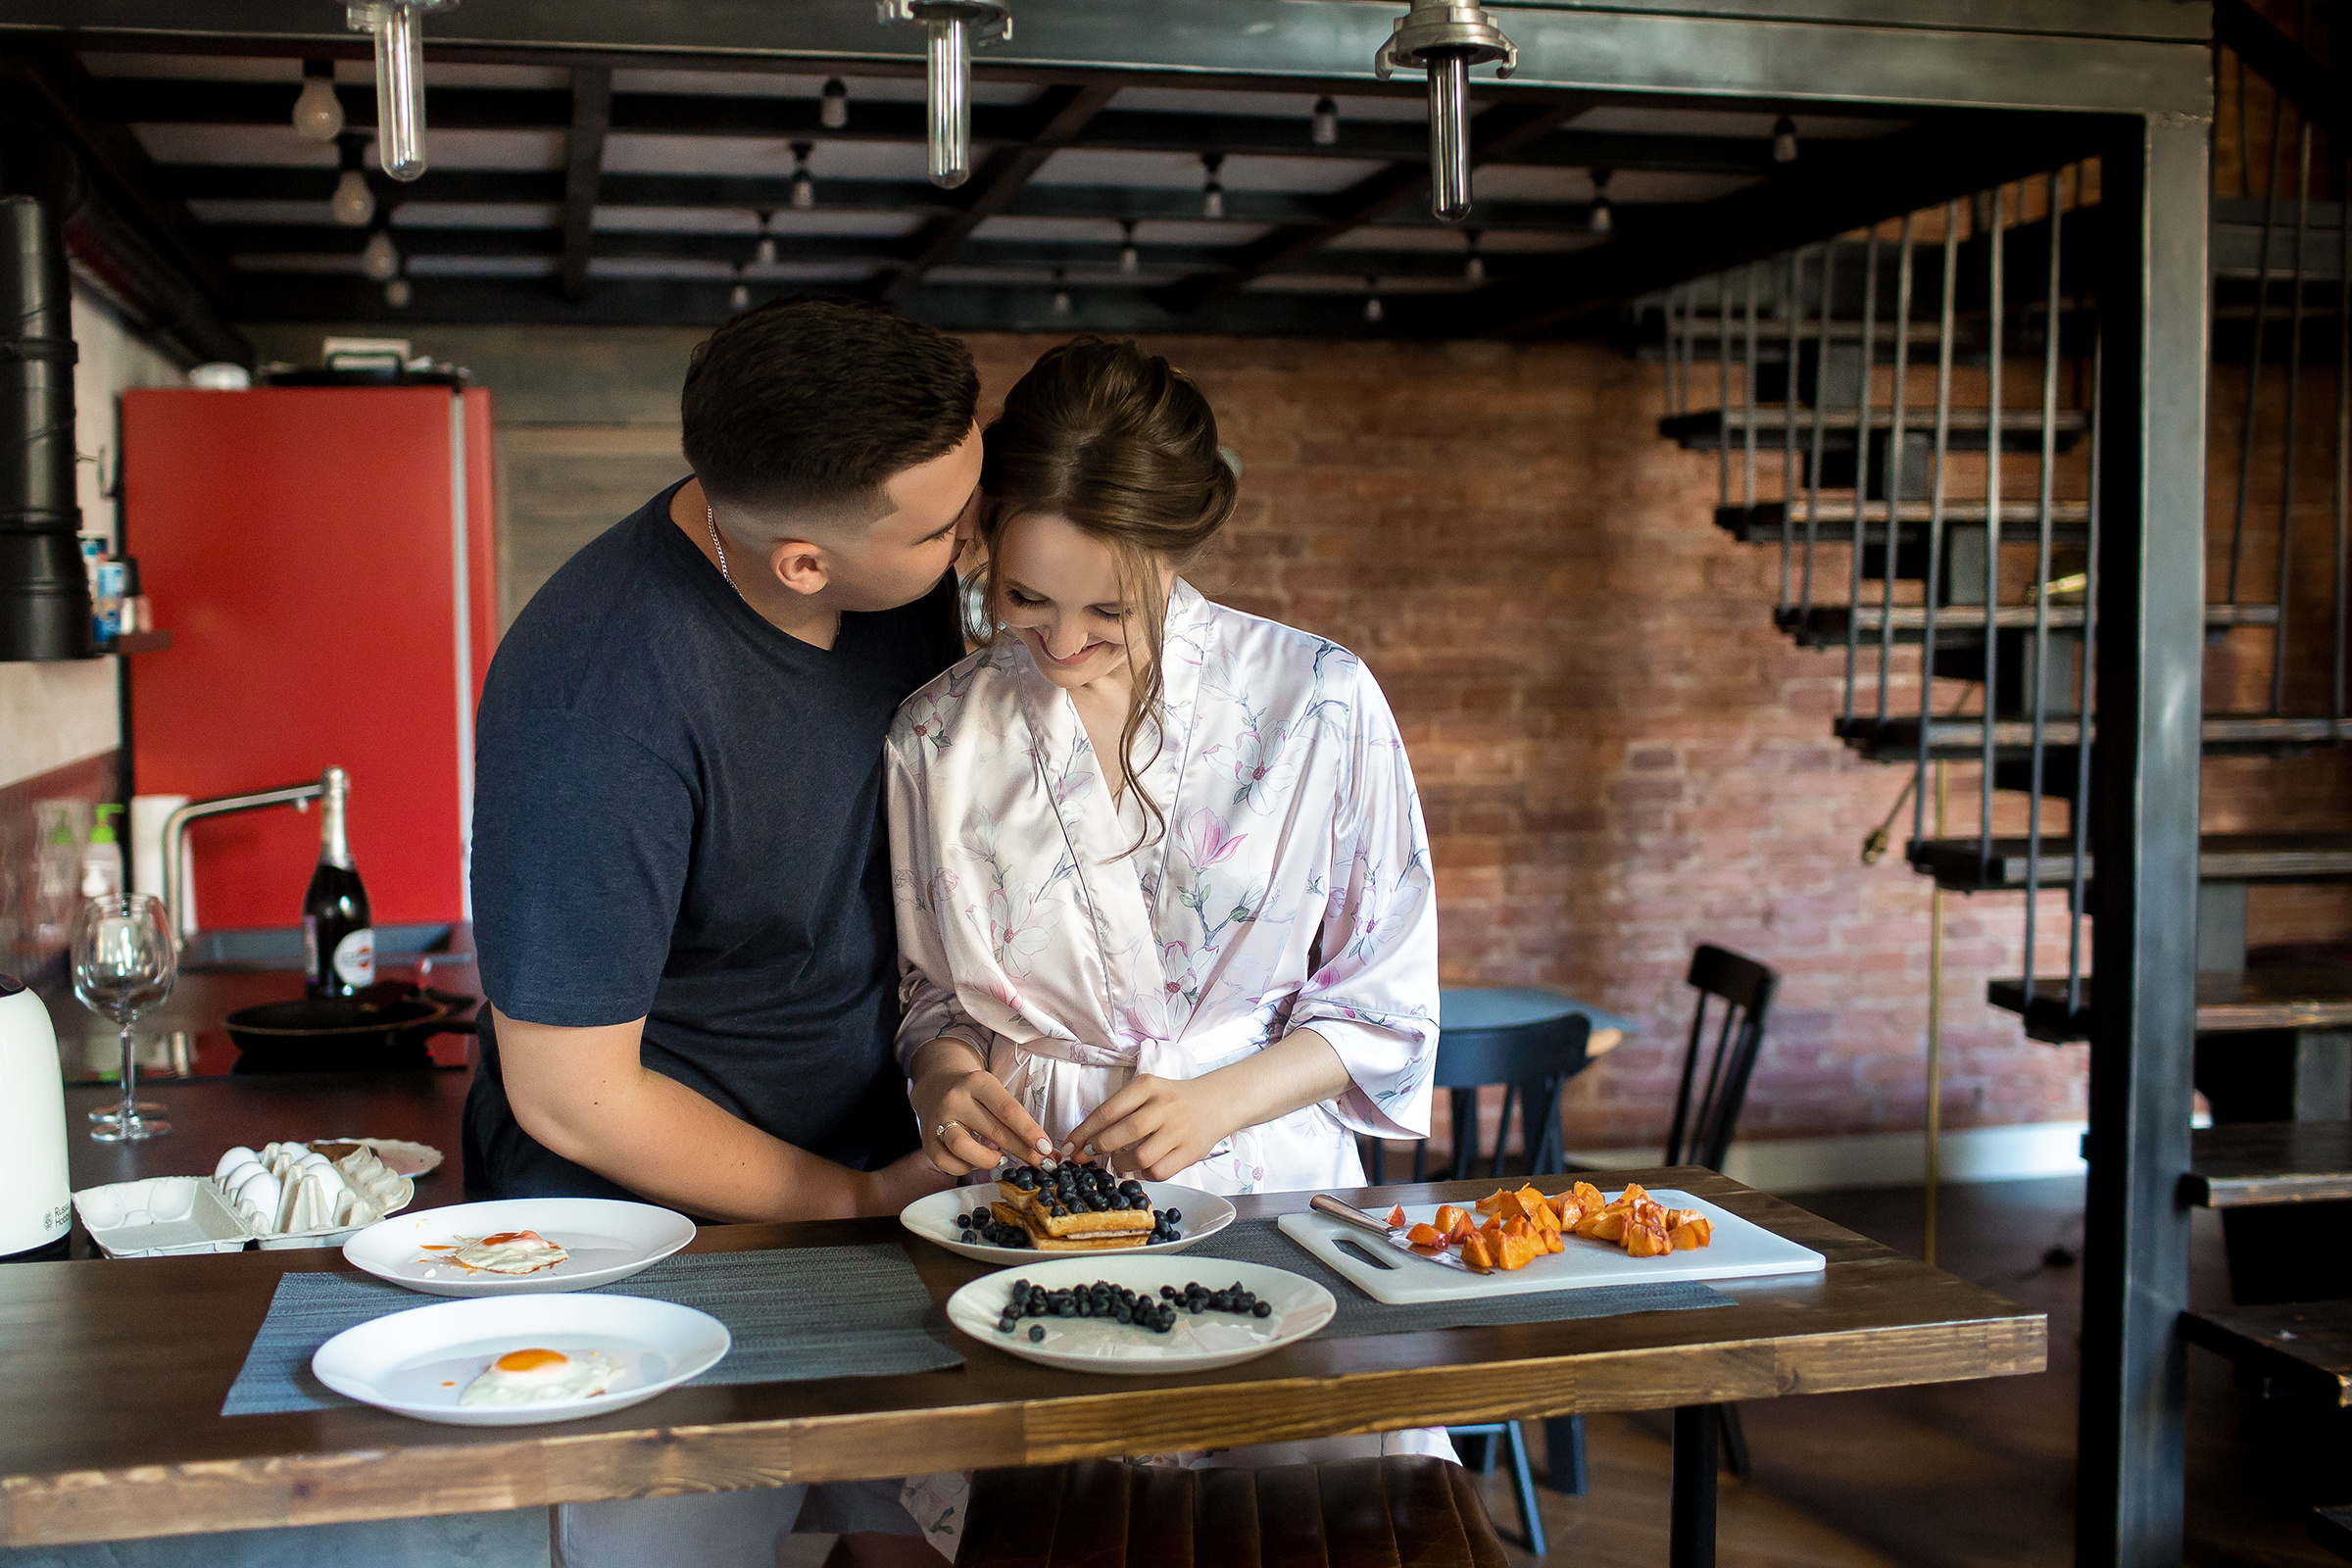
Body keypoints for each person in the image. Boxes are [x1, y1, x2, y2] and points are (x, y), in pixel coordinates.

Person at [466, 297, 978, 1567]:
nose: (972, 543)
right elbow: (573, 1096)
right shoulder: (599, 692)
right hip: (652, 1238)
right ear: (803, 560)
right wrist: (853, 1198)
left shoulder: (900, 585)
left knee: (911, 1544)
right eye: (945, 526)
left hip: (867, 1194)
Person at [885, 336, 1445, 1487]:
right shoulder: (935, 733)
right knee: (1059, 1527)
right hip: (1033, 1189)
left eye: (1112, 609)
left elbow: (1385, 998)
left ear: (1178, 556)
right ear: (983, 539)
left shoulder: (1317, 701)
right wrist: (942, 1075)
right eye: (1025, 599)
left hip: (1263, 1173)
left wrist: (1218, 1099)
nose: (1066, 642)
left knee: (1295, 1520)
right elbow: (930, 988)